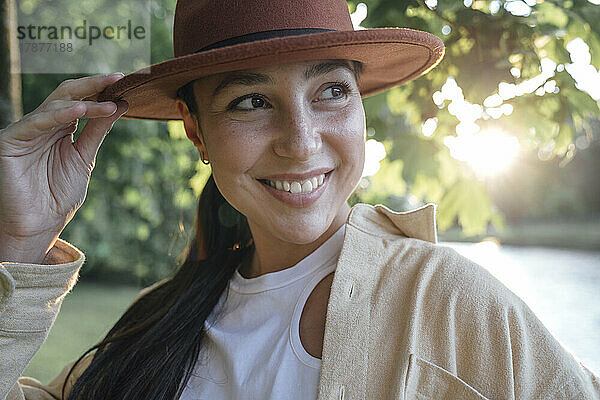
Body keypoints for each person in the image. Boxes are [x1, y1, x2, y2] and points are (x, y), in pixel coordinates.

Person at [1, 0, 599, 399]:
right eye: (251, 102)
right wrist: (19, 239)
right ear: (195, 130)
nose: (301, 142)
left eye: (332, 91)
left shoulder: (445, 299)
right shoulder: (158, 319)